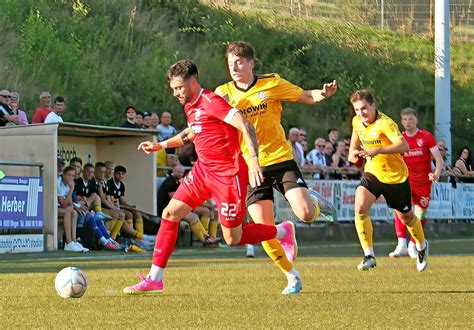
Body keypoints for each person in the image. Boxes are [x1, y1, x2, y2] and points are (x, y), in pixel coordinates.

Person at [123, 59, 297, 295]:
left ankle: (283, 231)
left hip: (229, 176)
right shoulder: (189, 105)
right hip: (203, 171)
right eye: (173, 89)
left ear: (193, 82)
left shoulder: (212, 102)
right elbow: (192, 133)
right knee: (170, 213)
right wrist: (161, 145)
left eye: (179, 88)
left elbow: (245, 124)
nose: (175, 93)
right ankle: (155, 279)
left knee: (233, 238)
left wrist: (254, 160)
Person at [215, 41, 337, 294]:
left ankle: (313, 202)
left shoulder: (272, 83)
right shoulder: (223, 92)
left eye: (239, 62)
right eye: (230, 63)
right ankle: (291, 277)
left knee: (305, 213)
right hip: (251, 167)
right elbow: (210, 123)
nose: (234, 67)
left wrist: (323, 94)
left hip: (280, 160)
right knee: (263, 230)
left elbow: (305, 95)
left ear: (251, 63)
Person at [348, 90, 428, 272]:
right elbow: (355, 136)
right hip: (373, 173)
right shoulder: (357, 121)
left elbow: (404, 146)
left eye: (364, 109)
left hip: (395, 177)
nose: (361, 113)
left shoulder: (386, 123)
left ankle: (422, 246)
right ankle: (369, 255)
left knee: (406, 217)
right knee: (360, 207)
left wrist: (378, 150)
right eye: (357, 110)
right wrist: (352, 152)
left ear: (373, 105)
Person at [388, 108, 443, 259]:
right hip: (405, 180)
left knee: (420, 213)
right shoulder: (400, 139)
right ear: (401, 121)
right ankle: (401, 245)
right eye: (405, 120)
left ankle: (413, 244)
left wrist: (437, 173)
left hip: (424, 182)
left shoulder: (426, 137)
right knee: (400, 209)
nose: (408, 123)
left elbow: (438, 158)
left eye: (411, 119)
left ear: (416, 120)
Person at [157, 165, 219, 246]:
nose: (180, 174)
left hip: (178, 208)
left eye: (182, 172)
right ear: (173, 171)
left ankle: (209, 238)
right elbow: (175, 198)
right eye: (178, 172)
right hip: (168, 210)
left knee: (206, 211)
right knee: (193, 217)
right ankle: (206, 240)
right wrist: (207, 205)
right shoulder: (170, 181)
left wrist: (208, 205)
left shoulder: (178, 181)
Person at [57, 166, 83, 252]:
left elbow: (69, 203)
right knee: (67, 213)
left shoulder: (68, 185)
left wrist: (71, 207)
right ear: (63, 175)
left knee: (74, 213)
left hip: (61, 207)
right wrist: (71, 189)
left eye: (72, 176)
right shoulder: (59, 183)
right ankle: (68, 242)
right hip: (53, 208)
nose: (70, 178)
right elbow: (64, 204)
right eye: (68, 175)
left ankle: (74, 241)